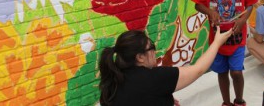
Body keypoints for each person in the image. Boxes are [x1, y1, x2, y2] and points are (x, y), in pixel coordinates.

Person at [191, 0, 258, 106]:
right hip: (217, 41)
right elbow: (197, 3)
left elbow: (250, 3)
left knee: (236, 72)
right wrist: (210, 12)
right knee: (222, 72)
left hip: (237, 39)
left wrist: (243, 20)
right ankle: (226, 102)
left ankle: (239, 100)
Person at [99, 27, 233, 106]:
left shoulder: (111, 82)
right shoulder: (154, 78)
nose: (154, 52)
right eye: (151, 48)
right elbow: (198, 70)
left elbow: (139, 96)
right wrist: (217, 42)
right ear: (139, 57)